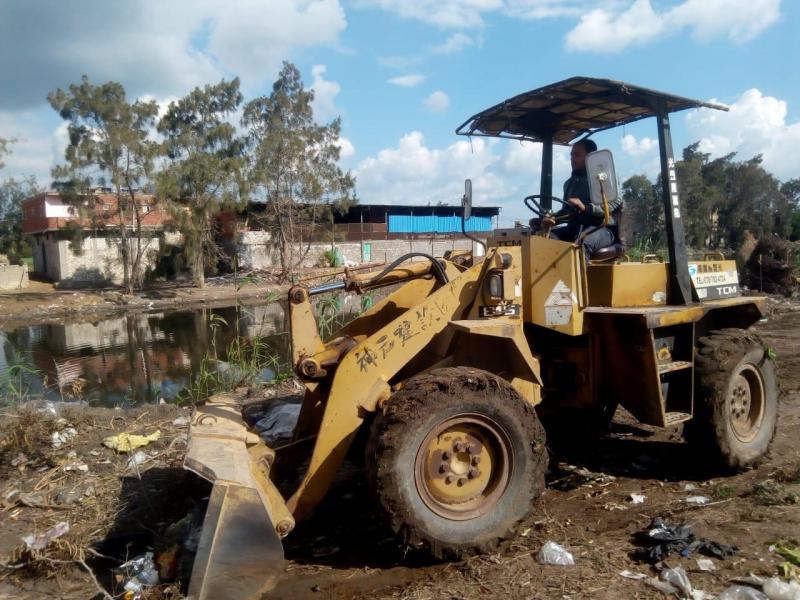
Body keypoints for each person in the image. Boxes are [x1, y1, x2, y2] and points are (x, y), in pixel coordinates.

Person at [546, 139, 623, 260]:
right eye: (571, 155)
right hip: (575, 228)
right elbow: (567, 212)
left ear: (590, 157)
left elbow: (615, 202)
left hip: (601, 227)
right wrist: (549, 219)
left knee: (581, 242)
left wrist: (586, 208)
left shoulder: (604, 178)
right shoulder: (569, 184)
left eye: (576, 155)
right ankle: (552, 278)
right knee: (544, 238)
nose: (571, 158)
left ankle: (577, 279)